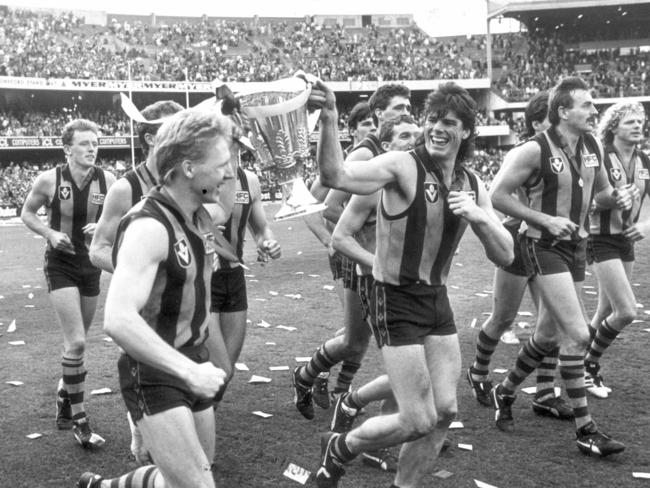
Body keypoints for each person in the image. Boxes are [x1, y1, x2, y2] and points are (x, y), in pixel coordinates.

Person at [310, 80, 513, 488]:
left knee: (445, 412)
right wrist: (330, 116)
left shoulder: (471, 183)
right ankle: (341, 448)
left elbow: (506, 254)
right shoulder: (403, 165)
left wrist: (479, 216)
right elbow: (335, 174)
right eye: (433, 120)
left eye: (450, 122)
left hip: (436, 300)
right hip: (394, 298)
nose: (438, 128)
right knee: (417, 417)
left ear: (467, 131)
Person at [78, 109, 233, 488]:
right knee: (197, 484)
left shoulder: (196, 214)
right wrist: (190, 372)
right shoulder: (149, 225)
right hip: (156, 373)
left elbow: (225, 205)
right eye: (222, 164)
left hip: (192, 358)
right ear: (189, 169)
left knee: (189, 474)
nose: (228, 173)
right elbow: (118, 319)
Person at [488, 76, 631, 457]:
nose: (594, 110)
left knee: (549, 338)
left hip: (575, 247)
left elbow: (600, 194)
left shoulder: (591, 145)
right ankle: (586, 430)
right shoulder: (531, 150)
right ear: (563, 111)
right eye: (586, 105)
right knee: (578, 334)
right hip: (542, 245)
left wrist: (616, 197)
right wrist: (544, 219)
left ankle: (505, 391)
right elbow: (497, 196)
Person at [292, 86, 411, 418]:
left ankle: (322, 384)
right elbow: (324, 204)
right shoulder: (365, 153)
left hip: (377, 256)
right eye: (398, 108)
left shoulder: (400, 150)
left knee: (358, 339)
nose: (405, 112)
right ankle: (341, 395)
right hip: (362, 256)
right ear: (378, 115)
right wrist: (362, 224)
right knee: (365, 341)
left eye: (408, 106)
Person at [466, 91, 573, 420]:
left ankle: (543, 392)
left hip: (548, 243)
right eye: (545, 118)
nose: (551, 124)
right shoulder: (526, 152)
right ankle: (479, 373)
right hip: (517, 239)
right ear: (536, 122)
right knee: (503, 317)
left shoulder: (568, 152)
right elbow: (502, 195)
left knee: (550, 323)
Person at [328, 113, 421, 473]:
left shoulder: (425, 180)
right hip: (380, 287)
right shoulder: (375, 187)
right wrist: (378, 263)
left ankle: (355, 405)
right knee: (409, 370)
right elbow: (338, 235)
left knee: (418, 371)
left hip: (418, 287)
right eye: (403, 137)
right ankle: (368, 431)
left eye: (416, 134)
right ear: (385, 146)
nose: (412, 141)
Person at [21, 119, 116, 448]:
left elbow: (125, 220)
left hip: (91, 266)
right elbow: (27, 213)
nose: (93, 148)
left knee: (79, 344)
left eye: (96, 143)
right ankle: (80, 420)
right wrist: (49, 233)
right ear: (67, 149)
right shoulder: (49, 180)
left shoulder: (110, 181)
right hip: (60, 265)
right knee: (75, 343)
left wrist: (105, 228)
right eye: (85, 143)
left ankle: (65, 394)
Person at [584, 101, 648, 398]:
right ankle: (589, 364)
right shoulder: (599, 156)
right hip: (600, 238)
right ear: (613, 127)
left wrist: (645, 227)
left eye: (640, 120)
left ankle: (576, 363)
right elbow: (584, 198)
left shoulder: (644, 161)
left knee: (606, 310)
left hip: (626, 241)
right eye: (630, 121)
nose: (638, 125)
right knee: (625, 311)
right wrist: (606, 200)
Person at [89, 100, 184, 273]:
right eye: (172, 129)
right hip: (144, 298)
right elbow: (98, 249)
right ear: (150, 138)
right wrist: (139, 272)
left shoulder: (190, 182)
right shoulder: (125, 189)